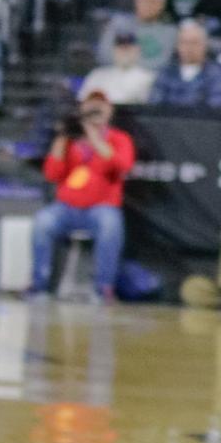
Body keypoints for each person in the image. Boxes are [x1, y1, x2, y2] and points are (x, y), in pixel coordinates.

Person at [30, 90, 134, 302]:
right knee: (42, 221)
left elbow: (120, 166)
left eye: (100, 106)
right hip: (67, 208)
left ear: (109, 111)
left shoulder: (119, 139)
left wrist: (93, 134)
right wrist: (61, 138)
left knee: (110, 225)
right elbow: (52, 174)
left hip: (101, 207)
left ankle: (103, 288)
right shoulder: (70, 140)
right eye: (90, 106)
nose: (95, 111)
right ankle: (39, 286)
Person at [150, 20, 221, 108]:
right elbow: (155, 105)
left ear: (205, 45)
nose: (189, 48)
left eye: (194, 43)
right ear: (177, 46)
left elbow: (218, 106)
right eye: (184, 42)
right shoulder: (166, 73)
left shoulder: (216, 75)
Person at [96, 0, 175, 70]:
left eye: (154, 2)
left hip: (149, 78)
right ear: (136, 0)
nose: (148, 5)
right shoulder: (118, 23)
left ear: (162, 6)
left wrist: (128, 63)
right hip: (115, 73)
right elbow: (103, 55)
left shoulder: (169, 31)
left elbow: (162, 62)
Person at [78, 30, 155, 108]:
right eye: (120, 47)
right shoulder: (97, 75)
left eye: (128, 47)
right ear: (113, 50)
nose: (124, 51)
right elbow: (81, 101)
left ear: (138, 50)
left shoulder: (149, 77)